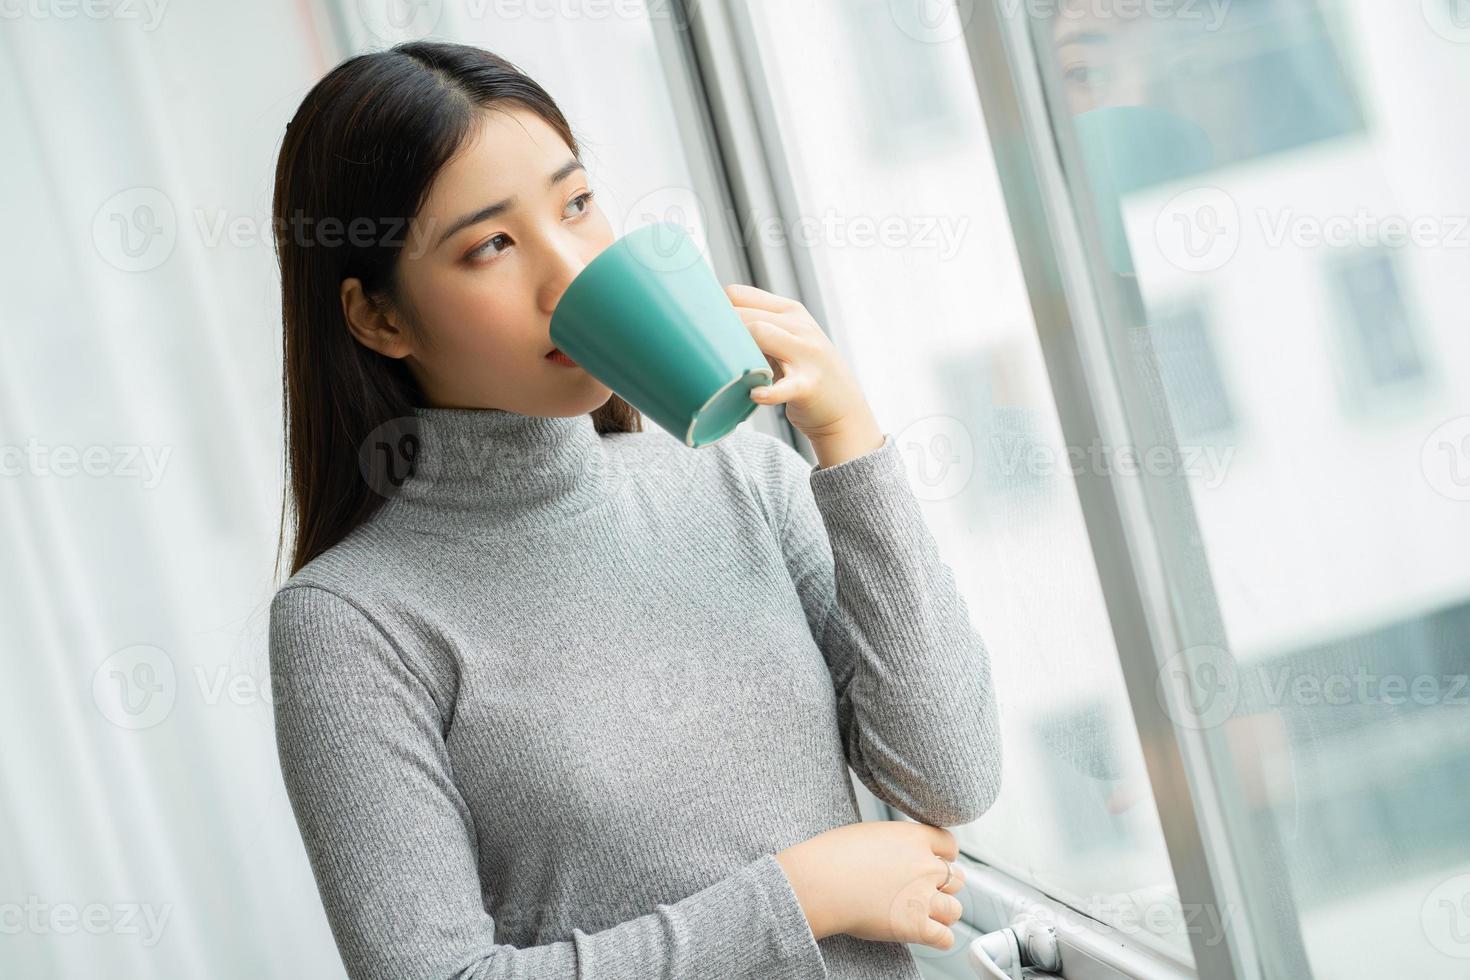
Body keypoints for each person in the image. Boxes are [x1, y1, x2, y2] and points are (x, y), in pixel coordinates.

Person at [267, 39, 1001, 980]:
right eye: (491, 244)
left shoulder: (747, 484)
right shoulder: (350, 622)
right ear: (380, 319)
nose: (569, 271)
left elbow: (949, 774)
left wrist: (847, 440)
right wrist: (799, 896)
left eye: (576, 204)